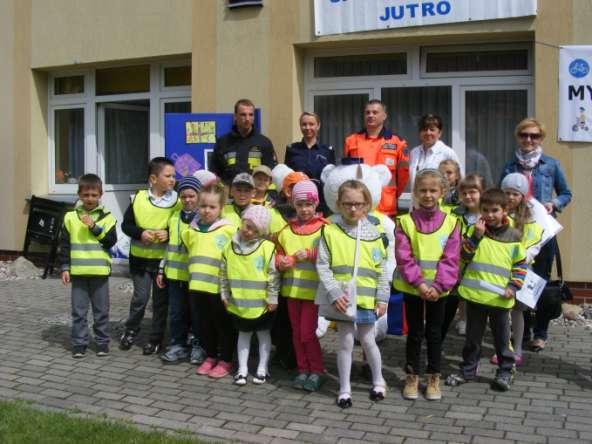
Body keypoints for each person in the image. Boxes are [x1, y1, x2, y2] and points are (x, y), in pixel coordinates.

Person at [500, 117, 572, 352]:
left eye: (534, 136)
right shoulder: (510, 166)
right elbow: (502, 197)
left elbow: (566, 193)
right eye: (524, 135)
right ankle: (523, 330)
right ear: (517, 137)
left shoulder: (551, 164)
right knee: (519, 280)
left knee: (538, 282)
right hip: (516, 233)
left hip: (542, 233)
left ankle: (540, 333)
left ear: (541, 138)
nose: (528, 140)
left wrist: (554, 203)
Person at [446, 189, 528, 392]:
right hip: (475, 297)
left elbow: (520, 266)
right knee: (473, 338)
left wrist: (513, 286)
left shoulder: (514, 235)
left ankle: (506, 371)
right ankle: (468, 371)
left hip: (500, 299)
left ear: (505, 210)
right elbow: (464, 256)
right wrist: (476, 237)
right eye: (486, 210)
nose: (490, 215)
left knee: (502, 339)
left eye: (495, 210)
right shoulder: (475, 230)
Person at [316, 180, 389, 408]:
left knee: (368, 340)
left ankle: (379, 381)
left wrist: (382, 297)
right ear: (339, 204)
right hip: (343, 300)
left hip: (367, 299)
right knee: (345, 342)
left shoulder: (375, 234)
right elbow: (323, 265)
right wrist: (336, 293)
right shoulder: (330, 231)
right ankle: (344, 388)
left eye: (358, 204)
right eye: (347, 204)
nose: (353, 209)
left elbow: (381, 270)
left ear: (367, 205)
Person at [394, 169, 460, 401]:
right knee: (414, 333)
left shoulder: (452, 223)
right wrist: (420, 284)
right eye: (422, 190)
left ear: (442, 192)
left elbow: (451, 259)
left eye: (433, 190)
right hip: (414, 288)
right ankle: (412, 376)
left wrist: (439, 286)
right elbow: (404, 257)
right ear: (415, 193)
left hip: (439, 292)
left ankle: (433, 377)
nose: (428, 195)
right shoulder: (405, 222)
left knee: (434, 333)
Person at [120, 157, 181, 354]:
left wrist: (169, 234)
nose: (173, 179)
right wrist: (140, 233)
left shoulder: (178, 202)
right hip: (139, 260)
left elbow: (182, 228)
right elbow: (125, 225)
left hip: (163, 262)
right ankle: (130, 330)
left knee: (160, 302)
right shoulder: (138, 198)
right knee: (140, 298)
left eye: (174, 175)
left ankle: (155, 339)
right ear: (153, 179)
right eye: (168, 175)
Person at [276, 180, 329, 391]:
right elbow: (277, 255)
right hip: (291, 291)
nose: (305, 209)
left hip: (313, 293)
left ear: (316, 203)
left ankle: (317, 371)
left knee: (307, 333)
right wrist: (281, 262)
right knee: (296, 333)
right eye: (300, 204)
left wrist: (310, 254)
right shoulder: (286, 230)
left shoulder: (326, 229)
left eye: (309, 204)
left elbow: (333, 253)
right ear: (293, 205)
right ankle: (302, 369)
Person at [182, 184, 237, 378]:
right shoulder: (191, 229)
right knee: (202, 325)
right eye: (203, 205)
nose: (206, 210)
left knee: (222, 325)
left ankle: (226, 359)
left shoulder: (229, 230)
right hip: (196, 287)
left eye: (212, 207)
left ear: (221, 208)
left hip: (218, 288)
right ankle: (211, 355)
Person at [488, 173, 544, 367]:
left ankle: (517, 349)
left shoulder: (529, 220)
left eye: (515, 194)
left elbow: (534, 245)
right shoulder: (497, 216)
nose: (511, 197)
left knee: (517, 312)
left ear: (522, 196)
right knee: (501, 312)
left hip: (520, 271)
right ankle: (502, 348)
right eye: (507, 193)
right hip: (499, 270)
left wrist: (520, 257)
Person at [221, 205, 280, 385]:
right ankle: (242, 369)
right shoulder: (229, 247)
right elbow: (223, 273)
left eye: (255, 230)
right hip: (239, 302)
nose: (248, 231)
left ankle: (262, 368)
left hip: (262, 305)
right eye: (247, 226)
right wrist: (224, 294)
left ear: (261, 232)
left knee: (263, 334)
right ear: (242, 222)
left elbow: (273, 276)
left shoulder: (267, 248)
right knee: (243, 335)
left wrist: (272, 298)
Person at [60, 174, 117, 358]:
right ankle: (79, 344)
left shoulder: (108, 217)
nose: (90, 199)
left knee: (101, 312)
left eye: (94, 195)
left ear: (100, 194)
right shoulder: (70, 217)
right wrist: (65, 268)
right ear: (79, 195)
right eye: (86, 195)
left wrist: (94, 227)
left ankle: (101, 343)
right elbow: (65, 245)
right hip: (78, 273)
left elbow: (110, 241)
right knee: (78, 312)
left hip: (100, 273)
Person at [157, 176, 205, 364]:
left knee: (197, 314)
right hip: (175, 276)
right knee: (177, 313)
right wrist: (162, 269)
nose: (187, 200)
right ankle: (178, 345)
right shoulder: (174, 216)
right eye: (183, 196)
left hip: (196, 277)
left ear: (199, 196)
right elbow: (169, 247)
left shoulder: (203, 217)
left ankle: (199, 345)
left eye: (192, 196)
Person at [343, 99, 409, 217]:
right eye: (367, 112)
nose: (370, 115)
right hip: (359, 206)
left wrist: (392, 194)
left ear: (384, 116)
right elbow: (347, 173)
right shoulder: (352, 141)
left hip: (386, 207)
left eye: (375, 112)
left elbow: (403, 175)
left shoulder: (397, 142)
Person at [441, 174, 486, 340]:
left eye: (473, 192)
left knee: (476, 318)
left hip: (478, 274)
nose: (468, 196)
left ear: (483, 192)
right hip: (456, 273)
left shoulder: (490, 217)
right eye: (464, 193)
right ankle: (437, 345)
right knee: (447, 311)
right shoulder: (453, 215)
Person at [210, 98, 277, 185]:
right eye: (243, 115)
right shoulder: (222, 142)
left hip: (256, 195)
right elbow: (215, 173)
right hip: (229, 196)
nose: (247, 118)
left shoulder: (264, 142)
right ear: (235, 116)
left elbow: (271, 172)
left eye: (251, 115)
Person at [285, 112, 335, 214]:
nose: (307, 127)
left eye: (311, 124)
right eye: (304, 124)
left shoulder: (327, 150)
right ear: (300, 126)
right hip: (298, 205)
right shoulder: (292, 149)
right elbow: (288, 178)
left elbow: (331, 179)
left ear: (318, 126)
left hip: (321, 204)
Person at [409, 114, 463, 190]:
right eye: (424, 129)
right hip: (417, 200)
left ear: (439, 133)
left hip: (441, 201)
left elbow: (459, 179)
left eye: (432, 129)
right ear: (420, 132)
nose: (428, 133)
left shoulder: (447, 153)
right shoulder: (414, 152)